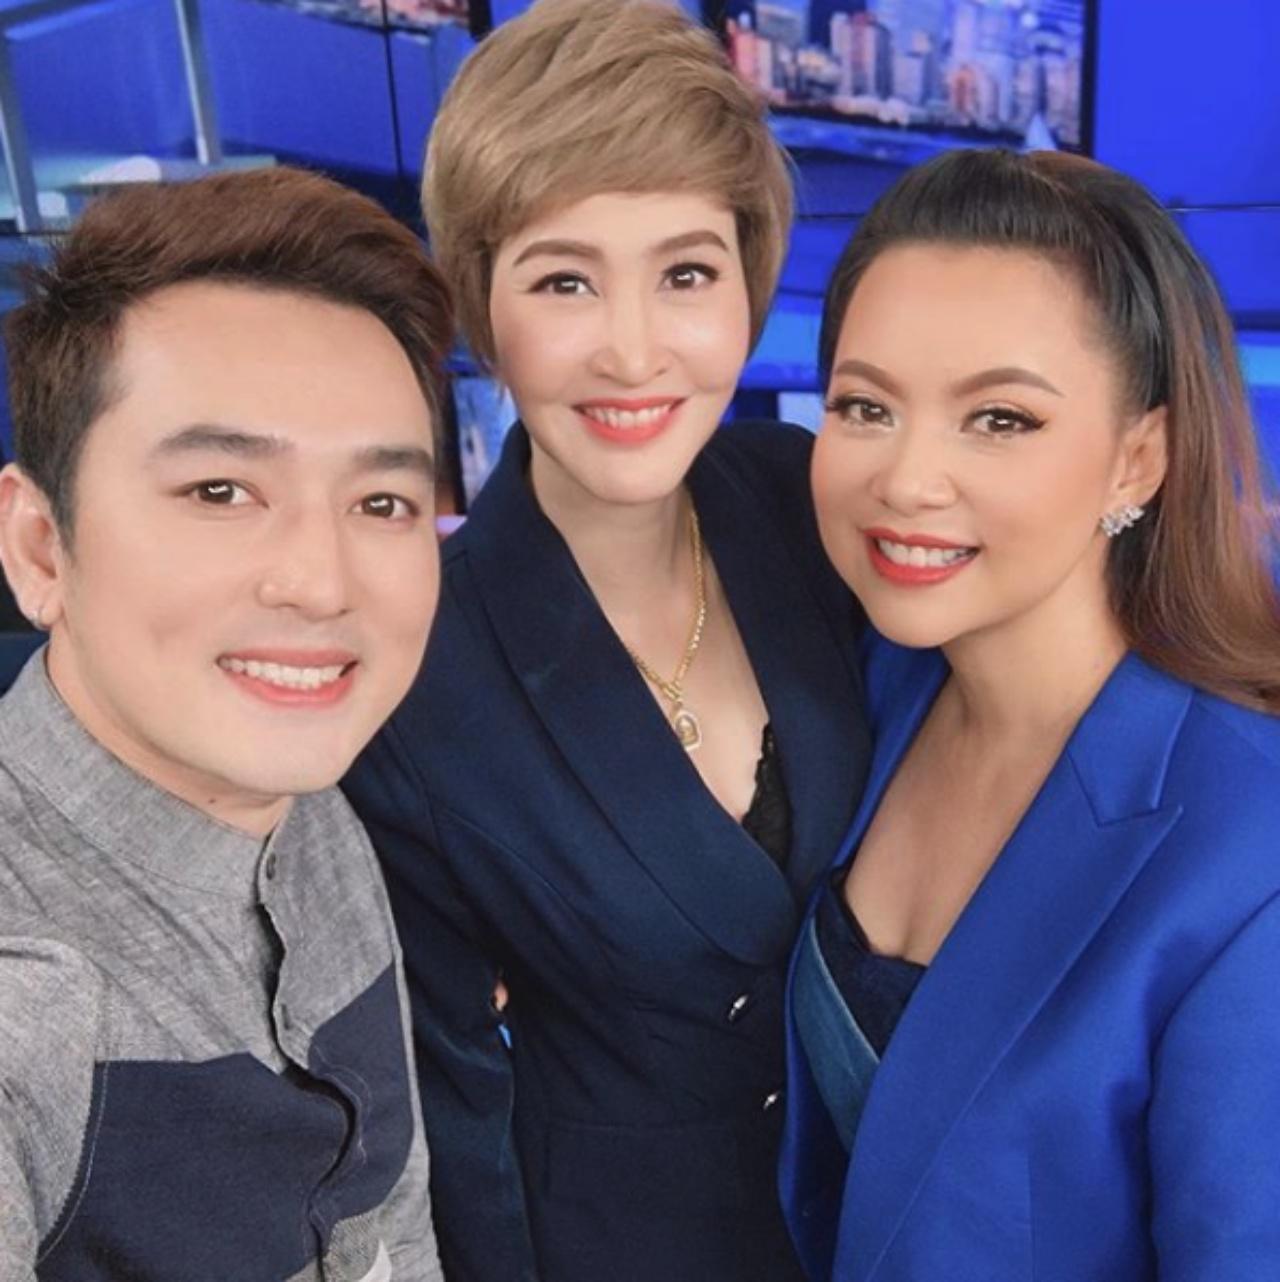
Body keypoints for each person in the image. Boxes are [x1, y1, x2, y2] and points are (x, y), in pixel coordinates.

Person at [340, 1, 870, 1278]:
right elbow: (451, 1113)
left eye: (684, 273)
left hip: (882, 1211)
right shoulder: (418, 658)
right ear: (480, 302)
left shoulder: (800, 502)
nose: (633, 352)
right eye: (564, 279)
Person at [779, 147, 1280, 1281]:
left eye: (998, 419)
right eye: (864, 406)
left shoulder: (1249, 849)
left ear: (1137, 460)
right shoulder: (874, 685)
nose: (907, 478)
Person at [0, 167, 452, 1281]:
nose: (321, 582)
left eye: (380, 502)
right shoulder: (27, 997)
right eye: (220, 491)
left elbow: (393, 1228)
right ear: (41, 548)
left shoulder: (312, 810)